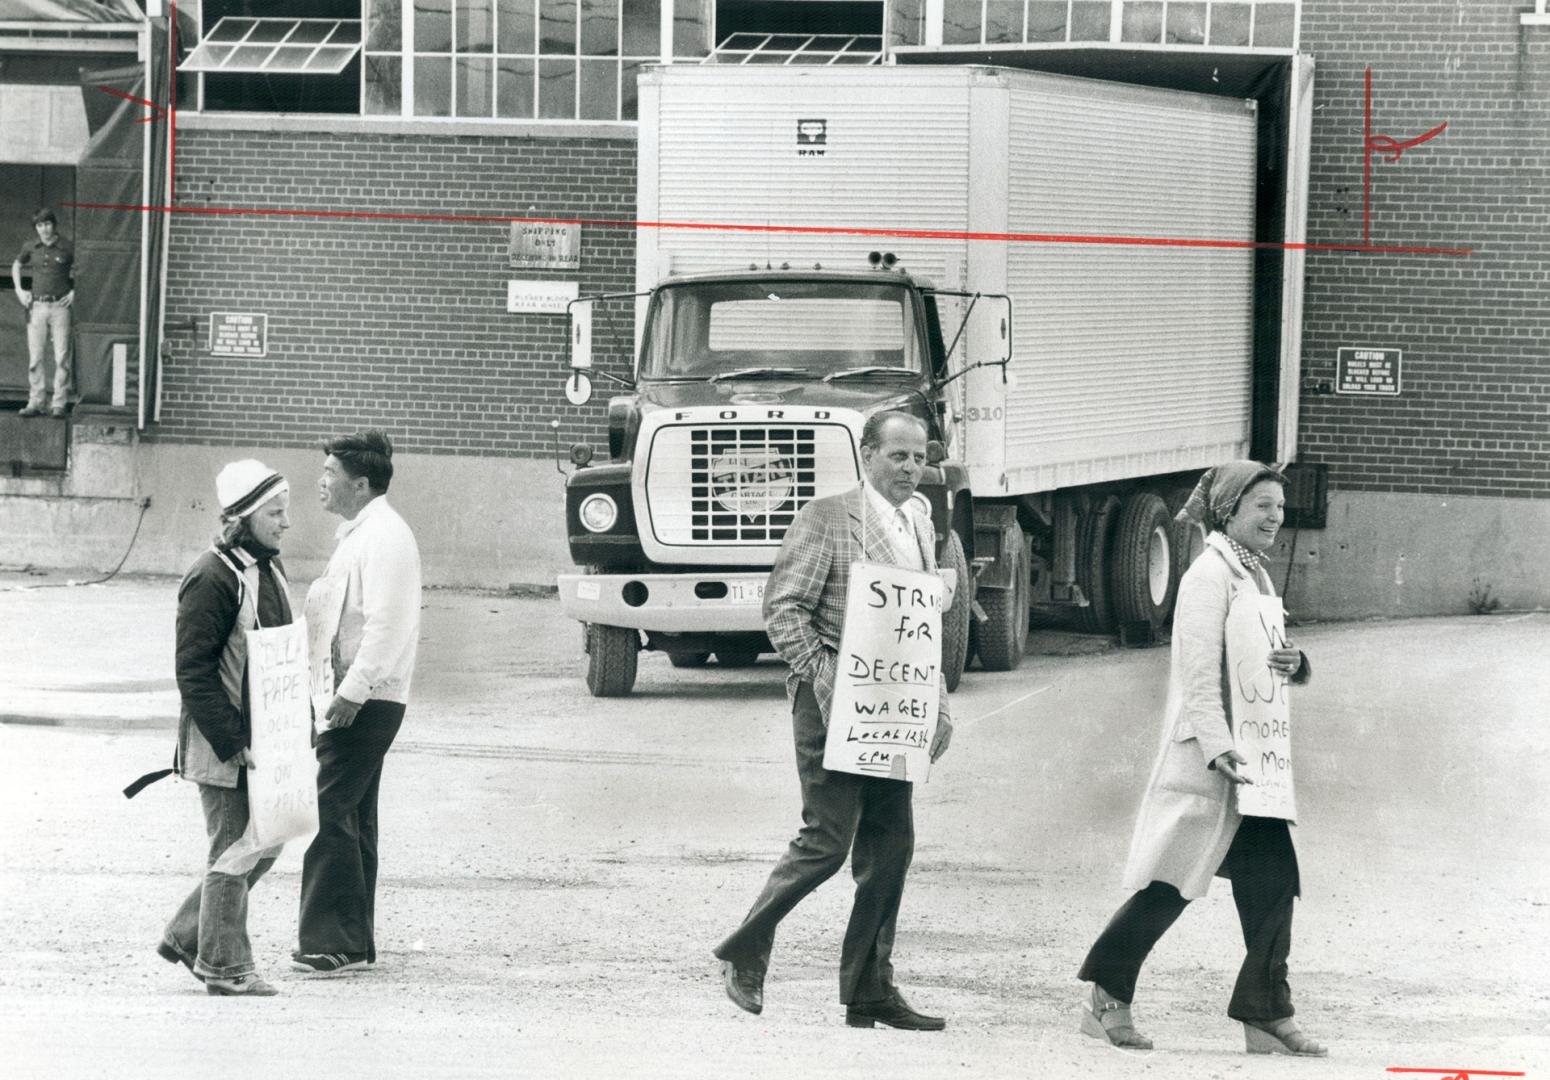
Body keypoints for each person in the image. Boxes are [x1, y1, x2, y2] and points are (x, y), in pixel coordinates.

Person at [1076, 461, 1328, 1057]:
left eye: (1280, 506)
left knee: (1273, 881)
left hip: (1253, 762)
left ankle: (1267, 1011)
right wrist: (1217, 747)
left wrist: (1298, 662)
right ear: (1228, 510)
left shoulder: (1254, 574)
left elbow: (1260, 660)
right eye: (1262, 505)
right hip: (1212, 759)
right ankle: (1106, 996)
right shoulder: (1207, 574)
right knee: (1171, 883)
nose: (1275, 517)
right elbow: (1195, 671)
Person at [714, 411, 955, 1030]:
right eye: (897, 456)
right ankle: (746, 945)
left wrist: (936, 706)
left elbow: (920, 629)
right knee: (827, 840)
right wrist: (826, 679)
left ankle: (870, 990)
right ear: (867, 456)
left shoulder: (921, 525)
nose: (910, 468)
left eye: (919, 457)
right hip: (831, 705)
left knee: (891, 847)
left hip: (895, 709)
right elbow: (784, 608)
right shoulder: (827, 517)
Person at [156, 459, 293, 996]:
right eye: (276, 512)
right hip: (226, 745)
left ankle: (190, 933)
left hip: (266, 741)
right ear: (244, 517)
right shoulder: (210, 577)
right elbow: (193, 670)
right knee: (235, 847)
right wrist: (231, 740)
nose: (286, 522)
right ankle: (224, 964)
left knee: (266, 841)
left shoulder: (267, 569)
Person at [294, 429, 421, 975]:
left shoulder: (385, 536)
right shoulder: (361, 534)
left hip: (367, 700)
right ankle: (352, 941)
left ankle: (332, 943)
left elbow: (388, 625)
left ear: (361, 483)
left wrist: (351, 693)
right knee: (351, 816)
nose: (321, 482)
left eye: (330, 474)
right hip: (356, 696)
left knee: (329, 813)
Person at [11, 208, 75, 418]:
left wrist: (74, 292)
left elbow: (83, 268)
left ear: (54, 225)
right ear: (36, 228)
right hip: (37, 306)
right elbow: (16, 265)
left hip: (60, 307)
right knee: (35, 357)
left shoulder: (67, 246)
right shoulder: (31, 246)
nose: (44, 229)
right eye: (39, 225)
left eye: (47, 224)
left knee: (61, 357)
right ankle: (36, 402)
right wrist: (20, 290)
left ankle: (58, 403)